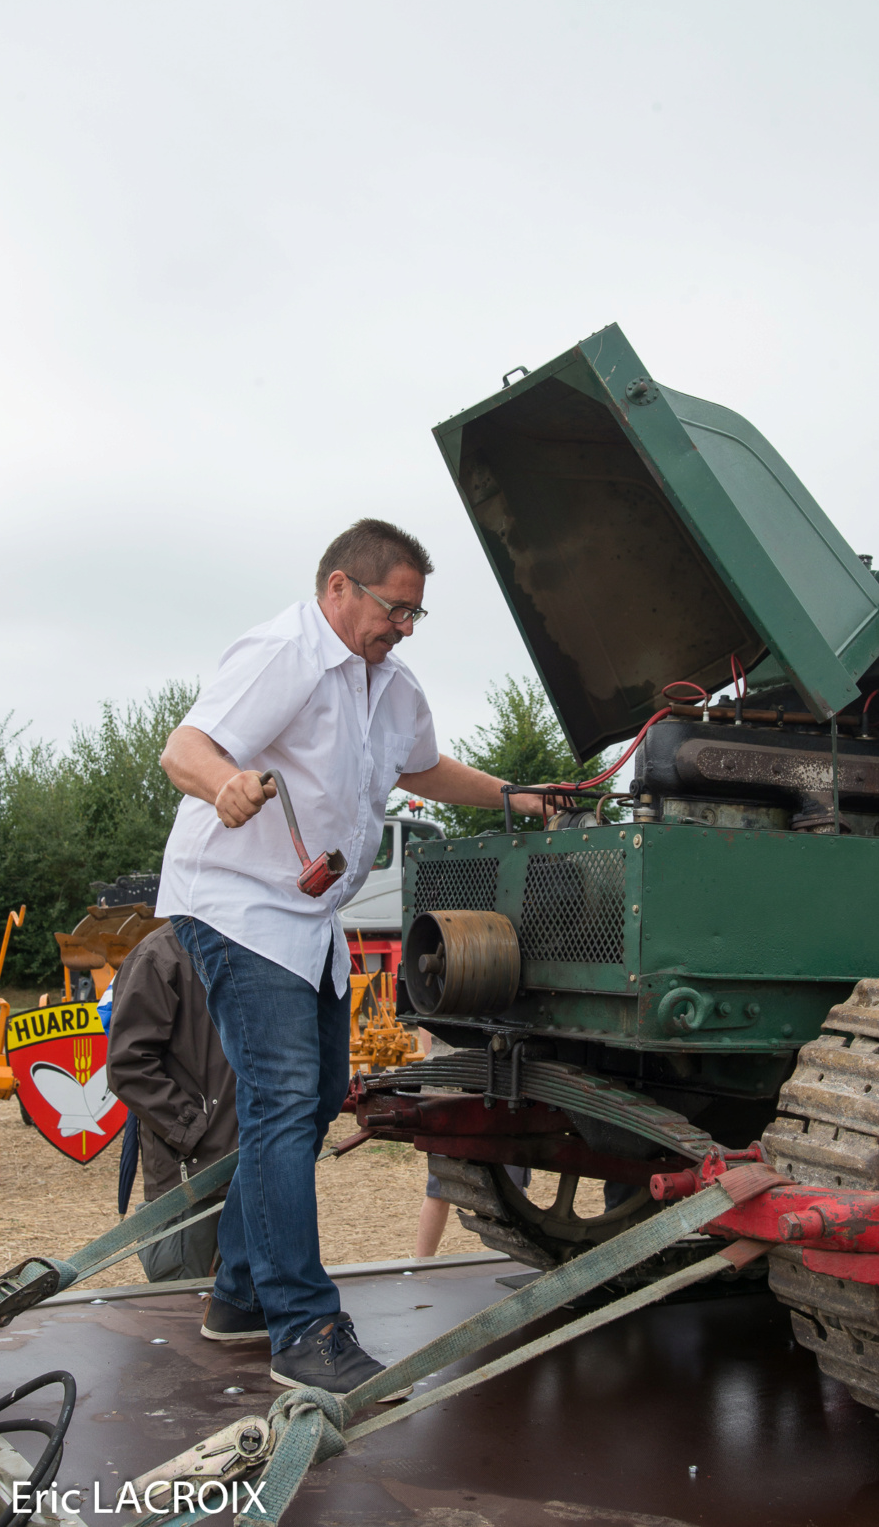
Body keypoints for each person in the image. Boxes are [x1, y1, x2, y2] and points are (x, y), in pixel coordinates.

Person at [157, 518, 542, 1395]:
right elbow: (187, 747)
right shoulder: (283, 652)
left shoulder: (393, 686)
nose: (403, 625)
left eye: (415, 613)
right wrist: (223, 783)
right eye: (393, 607)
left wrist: (516, 796)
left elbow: (424, 769)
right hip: (236, 905)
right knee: (286, 1102)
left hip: (306, 920)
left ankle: (241, 1296)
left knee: (321, 1095)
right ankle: (304, 1329)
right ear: (339, 588)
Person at [106, 923, 241, 1289]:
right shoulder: (159, 955)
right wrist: (193, 1129)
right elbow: (128, 1065)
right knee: (182, 1313)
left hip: (257, 1173)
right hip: (192, 1179)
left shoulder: (259, 945)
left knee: (251, 1324)